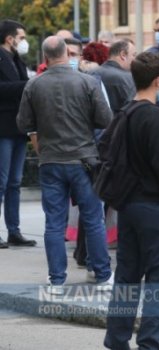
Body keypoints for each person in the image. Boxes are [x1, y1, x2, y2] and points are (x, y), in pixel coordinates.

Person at [16, 36, 113, 295]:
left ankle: (57, 280)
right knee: (93, 220)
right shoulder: (87, 82)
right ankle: (103, 276)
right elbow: (105, 119)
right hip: (84, 159)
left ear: (45, 56)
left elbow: (23, 124)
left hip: (50, 161)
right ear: (66, 54)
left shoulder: (34, 85)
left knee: (54, 224)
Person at [103, 51, 159, 350]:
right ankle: (150, 343)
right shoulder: (155, 117)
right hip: (156, 208)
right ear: (157, 80)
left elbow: (103, 149)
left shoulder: (125, 112)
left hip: (129, 207)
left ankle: (117, 339)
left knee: (126, 277)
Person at [0, 19, 36, 248]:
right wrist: (28, 85)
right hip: (3, 128)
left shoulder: (17, 60)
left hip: (18, 128)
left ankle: (14, 230)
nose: (24, 42)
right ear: (10, 38)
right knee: (1, 182)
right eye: (21, 38)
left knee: (14, 182)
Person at [92, 39, 137, 114]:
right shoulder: (129, 78)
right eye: (134, 55)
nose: (135, 59)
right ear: (123, 55)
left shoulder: (89, 73)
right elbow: (133, 111)